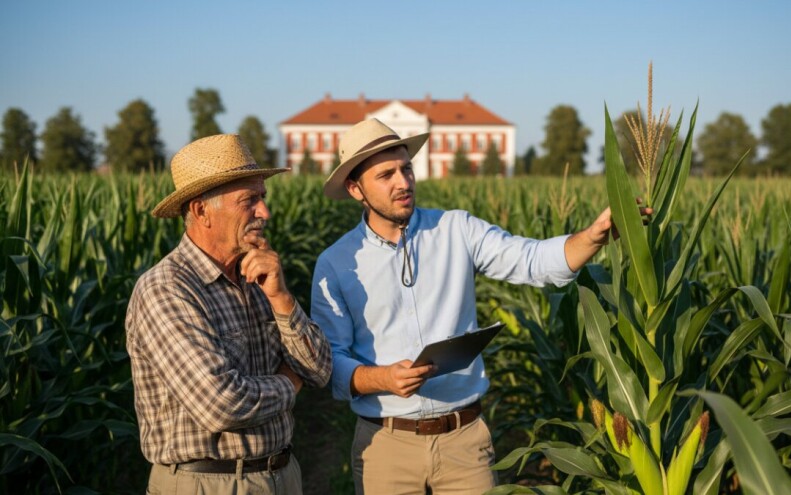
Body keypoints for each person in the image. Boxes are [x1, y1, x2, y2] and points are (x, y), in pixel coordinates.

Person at [310, 118, 648, 494]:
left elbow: (532, 260)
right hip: (386, 446)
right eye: (386, 175)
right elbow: (330, 361)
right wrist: (383, 378)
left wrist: (593, 237)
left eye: (406, 168)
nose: (403, 183)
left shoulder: (457, 229)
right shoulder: (335, 263)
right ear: (356, 189)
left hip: (465, 443)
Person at [126, 134, 331, 494]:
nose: (264, 212)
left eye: (262, 199)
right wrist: (290, 383)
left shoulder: (258, 274)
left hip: (282, 473)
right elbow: (222, 404)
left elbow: (319, 368)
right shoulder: (167, 289)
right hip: (208, 483)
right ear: (201, 210)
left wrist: (281, 296)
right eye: (249, 201)